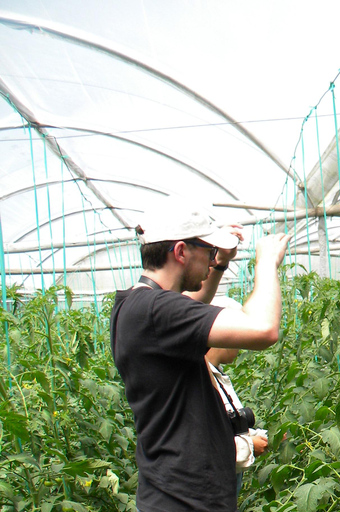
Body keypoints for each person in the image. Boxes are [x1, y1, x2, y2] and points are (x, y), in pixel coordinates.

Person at [110, 199, 289, 512]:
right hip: (183, 500)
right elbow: (264, 330)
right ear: (180, 252)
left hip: (174, 494)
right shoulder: (155, 310)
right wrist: (266, 263)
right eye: (207, 252)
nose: (210, 261)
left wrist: (220, 264)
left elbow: (192, 304)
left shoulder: (140, 306)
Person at [207, 296, 269, 500]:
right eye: (238, 334)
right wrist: (249, 445)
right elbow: (205, 445)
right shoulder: (202, 382)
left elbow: (227, 426)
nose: (241, 343)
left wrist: (264, 436)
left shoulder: (218, 374)